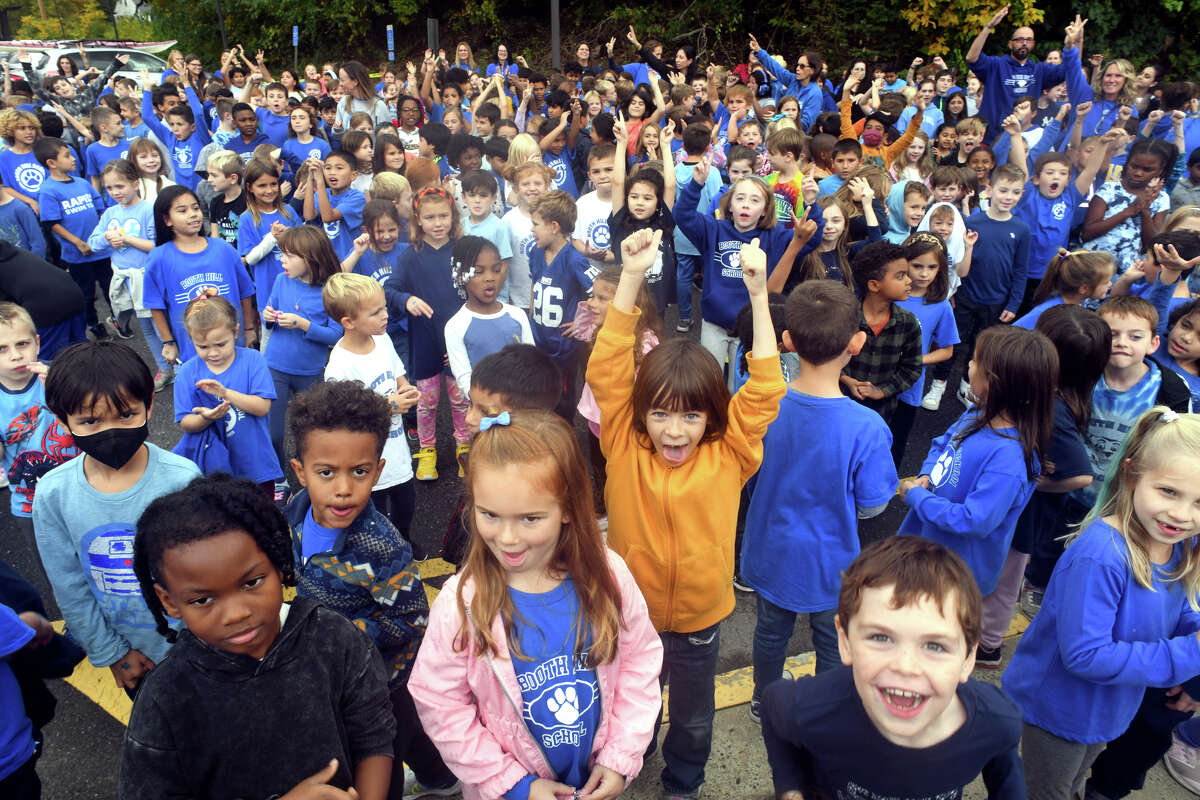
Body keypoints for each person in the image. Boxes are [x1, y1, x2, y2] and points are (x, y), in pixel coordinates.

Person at [587, 229, 786, 798]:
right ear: (638, 414)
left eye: (692, 417)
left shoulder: (731, 452)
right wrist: (630, 276)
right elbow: (607, 367)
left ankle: (684, 782)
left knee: (695, 720)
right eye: (660, 414)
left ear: (713, 418)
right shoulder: (623, 441)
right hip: (632, 616)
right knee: (632, 704)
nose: (674, 431)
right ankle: (633, 754)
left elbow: (765, 386)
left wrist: (758, 296)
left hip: (701, 620)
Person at [409, 407, 663, 800]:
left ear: (568, 508)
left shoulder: (608, 576)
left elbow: (639, 662)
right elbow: (439, 701)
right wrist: (511, 783)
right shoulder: (461, 605)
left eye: (529, 519)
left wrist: (620, 757)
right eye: (490, 514)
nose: (507, 538)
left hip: (594, 781)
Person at [122, 474, 395, 799]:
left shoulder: (334, 638)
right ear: (169, 601)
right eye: (203, 600)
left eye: (251, 582)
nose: (236, 613)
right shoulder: (165, 698)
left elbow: (374, 735)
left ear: (279, 565)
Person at [1003, 407, 1200, 800]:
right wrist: (1190, 652)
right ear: (1131, 475)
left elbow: (1178, 611)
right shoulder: (1102, 556)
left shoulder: (1177, 545)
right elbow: (1085, 655)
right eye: (1168, 491)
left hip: (1110, 706)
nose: (1181, 514)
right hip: (1059, 710)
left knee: (1074, 781)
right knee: (1049, 790)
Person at [284, 380, 453, 799]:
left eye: (358, 472)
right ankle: (442, 778)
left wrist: (341, 636)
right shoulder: (294, 514)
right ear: (300, 471)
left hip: (383, 679)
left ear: (377, 471)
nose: (343, 488)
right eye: (326, 472)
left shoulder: (383, 547)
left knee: (382, 750)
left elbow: (412, 619)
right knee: (410, 734)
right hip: (334, 667)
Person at [761, 535, 1025, 800]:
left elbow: (1006, 769)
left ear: (968, 658)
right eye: (880, 637)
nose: (905, 667)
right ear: (846, 641)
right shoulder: (811, 707)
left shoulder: (996, 721)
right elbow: (773, 706)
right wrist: (789, 788)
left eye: (935, 646)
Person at [743, 280, 898, 719]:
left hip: (770, 548)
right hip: (832, 560)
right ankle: (828, 709)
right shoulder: (867, 427)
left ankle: (764, 699)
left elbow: (745, 474)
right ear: (857, 342)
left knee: (770, 632)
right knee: (833, 638)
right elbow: (873, 504)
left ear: (788, 340)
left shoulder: (762, 407)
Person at [34, 341, 201, 694]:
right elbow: (69, 586)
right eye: (90, 421)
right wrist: (112, 653)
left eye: (125, 415)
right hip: (136, 658)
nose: (110, 431)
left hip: (202, 644)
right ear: (62, 420)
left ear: (149, 405)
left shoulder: (182, 479)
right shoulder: (53, 495)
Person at [898, 324, 1056, 666]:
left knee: (930, 642)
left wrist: (917, 498)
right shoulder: (978, 413)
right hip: (928, 551)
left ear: (993, 381)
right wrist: (926, 475)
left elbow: (974, 520)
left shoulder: (1008, 459)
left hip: (954, 574)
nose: (968, 366)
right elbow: (942, 444)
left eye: (974, 362)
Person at [676, 158, 822, 380]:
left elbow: (812, 239)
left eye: (755, 200)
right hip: (714, 325)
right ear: (730, 206)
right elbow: (682, 215)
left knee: (740, 386)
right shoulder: (713, 230)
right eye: (740, 198)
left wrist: (813, 203)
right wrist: (696, 184)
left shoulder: (775, 236)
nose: (745, 204)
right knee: (709, 381)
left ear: (764, 210)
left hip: (751, 329)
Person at [322, 273, 423, 544]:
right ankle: (381, 551)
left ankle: (402, 542)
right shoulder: (340, 365)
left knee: (406, 504)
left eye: (384, 308)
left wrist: (406, 388)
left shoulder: (383, 339)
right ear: (349, 322)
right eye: (375, 312)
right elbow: (344, 417)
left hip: (396, 451)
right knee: (374, 515)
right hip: (365, 460)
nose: (385, 315)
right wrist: (389, 406)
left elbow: (398, 372)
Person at [386, 186, 471, 480]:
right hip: (424, 341)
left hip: (457, 341)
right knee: (425, 402)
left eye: (443, 216)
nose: (437, 223)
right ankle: (427, 450)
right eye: (430, 217)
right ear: (418, 220)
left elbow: (477, 291)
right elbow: (390, 289)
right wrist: (406, 299)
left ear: (453, 217)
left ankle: (464, 447)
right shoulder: (410, 256)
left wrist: (467, 339)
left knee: (460, 398)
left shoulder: (463, 250)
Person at [174, 293, 278, 490]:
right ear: (191, 339)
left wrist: (226, 393)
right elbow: (186, 423)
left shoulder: (253, 360)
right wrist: (207, 418)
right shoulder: (186, 373)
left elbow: (263, 407)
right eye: (202, 347)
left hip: (256, 466)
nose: (213, 353)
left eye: (221, 344)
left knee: (262, 509)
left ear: (235, 331)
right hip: (213, 471)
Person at [263, 225, 343, 473]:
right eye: (282, 254)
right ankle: (278, 477)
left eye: (289, 256)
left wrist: (304, 325)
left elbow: (336, 335)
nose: (282, 260)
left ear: (310, 258)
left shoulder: (329, 290)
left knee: (310, 431)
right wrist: (267, 316)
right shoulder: (281, 280)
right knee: (272, 433)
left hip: (309, 371)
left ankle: (310, 473)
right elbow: (269, 312)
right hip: (274, 365)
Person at [954, 163, 1031, 405]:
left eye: (1015, 192)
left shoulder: (1021, 229)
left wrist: (1014, 303)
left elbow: (1021, 270)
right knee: (955, 342)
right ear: (990, 190)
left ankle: (967, 385)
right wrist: (954, 290)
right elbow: (961, 260)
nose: (1009, 197)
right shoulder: (973, 223)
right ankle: (940, 381)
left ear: (1022, 194)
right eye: (1003, 190)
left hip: (996, 301)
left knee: (982, 347)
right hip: (967, 296)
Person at [35, 137, 114, 342]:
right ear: (51, 163)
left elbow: (100, 210)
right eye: (67, 156)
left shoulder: (82, 183)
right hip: (78, 255)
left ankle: (118, 319)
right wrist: (78, 243)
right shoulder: (48, 190)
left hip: (101, 250)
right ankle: (94, 325)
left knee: (111, 288)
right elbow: (52, 223)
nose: (73, 159)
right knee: (86, 294)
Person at [85, 159, 161, 372]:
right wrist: (107, 238)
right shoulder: (110, 214)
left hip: (149, 279)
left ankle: (176, 367)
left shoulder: (148, 210)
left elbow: (157, 246)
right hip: (125, 280)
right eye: (109, 188)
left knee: (159, 326)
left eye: (119, 186)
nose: (114, 192)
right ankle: (163, 368)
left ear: (135, 183)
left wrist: (126, 239)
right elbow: (93, 243)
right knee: (145, 327)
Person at [527, 189, 596, 420]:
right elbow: (535, 284)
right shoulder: (536, 252)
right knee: (538, 393)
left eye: (536, 224)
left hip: (563, 346)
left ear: (554, 226)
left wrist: (582, 323)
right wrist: (531, 312)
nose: (531, 229)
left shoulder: (575, 259)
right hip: (539, 339)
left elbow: (600, 294)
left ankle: (564, 434)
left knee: (562, 397)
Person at [895, 233, 959, 465]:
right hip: (876, 379)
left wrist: (916, 359)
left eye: (932, 267)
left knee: (896, 443)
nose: (924, 274)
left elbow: (947, 350)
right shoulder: (891, 294)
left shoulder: (940, 306)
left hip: (909, 386)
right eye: (917, 266)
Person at [841, 241, 923, 423]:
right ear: (874, 285)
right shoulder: (843, 317)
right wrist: (846, 380)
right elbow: (824, 357)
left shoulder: (908, 323)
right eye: (900, 276)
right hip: (841, 407)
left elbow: (912, 368)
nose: (909, 281)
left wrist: (882, 391)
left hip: (882, 413)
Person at [965, 5, 1074, 138]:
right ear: (1010, 44)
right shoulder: (996, 65)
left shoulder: (1039, 70)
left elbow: (1070, 70)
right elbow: (971, 58)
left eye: (1028, 40)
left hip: (1023, 140)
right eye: (1020, 40)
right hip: (992, 138)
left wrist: (1072, 44)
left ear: (1033, 44)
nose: (1024, 43)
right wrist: (988, 27)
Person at [444, 236, 533, 398]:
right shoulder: (456, 326)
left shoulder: (518, 315)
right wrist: (489, 404)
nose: (490, 277)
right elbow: (464, 378)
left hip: (522, 403)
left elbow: (531, 361)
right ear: (459, 275)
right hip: (484, 408)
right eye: (479, 271)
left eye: (496, 270)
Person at [1081, 137, 1174, 276]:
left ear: (1160, 170)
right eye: (1134, 166)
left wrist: (1145, 210)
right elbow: (1087, 233)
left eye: (1147, 169)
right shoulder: (1109, 189)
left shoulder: (1161, 199)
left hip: (1125, 272)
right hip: (1091, 264)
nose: (1138, 173)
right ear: (1127, 163)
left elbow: (1151, 245)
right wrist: (1128, 211)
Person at [238, 157, 300, 335]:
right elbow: (250, 258)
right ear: (249, 187)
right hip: (268, 293)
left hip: (296, 287)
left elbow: (305, 245)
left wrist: (288, 236)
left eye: (273, 184)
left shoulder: (288, 211)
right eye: (262, 185)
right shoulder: (247, 218)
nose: (270, 190)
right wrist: (272, 238)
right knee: (271, 338)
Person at [139, 70, 212, 190]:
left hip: (204, 194)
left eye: (179, 124)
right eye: (172, 124)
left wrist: (186, 84)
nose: (175, 129)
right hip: (182, 194)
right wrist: (147, 88)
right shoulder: (170, 139)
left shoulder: (200, 137)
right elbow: (147, 117)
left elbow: (198, 114)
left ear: (192, 127)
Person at [1013, 250, 1114, 330]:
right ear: (1084, 288)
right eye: (1106, 282)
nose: (1110, 284)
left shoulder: (1079, 304)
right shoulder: (1047, 312)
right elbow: (1012, 335)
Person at [303, 150, 366, 260]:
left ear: (353, 175)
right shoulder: (322, 193)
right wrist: (310, 178)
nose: (332, 172)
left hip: (348, 259)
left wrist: (320, 181)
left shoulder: (357, 197)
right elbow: (309, 216)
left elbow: (328, 217)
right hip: (326, 260)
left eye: (339, 168)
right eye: (327, 168)